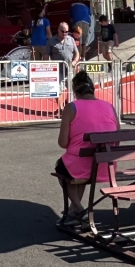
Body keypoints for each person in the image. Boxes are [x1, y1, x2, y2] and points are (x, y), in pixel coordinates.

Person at [56, 71, 119, 222]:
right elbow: (117, 139)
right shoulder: (109, 106)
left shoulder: (71, 107)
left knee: (62, 169)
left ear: (76, 91)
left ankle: (78, 208)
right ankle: (73, 211)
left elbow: (62, 143)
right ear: (93, 89)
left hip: (80, 165)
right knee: (78, 171)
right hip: (106, 164)